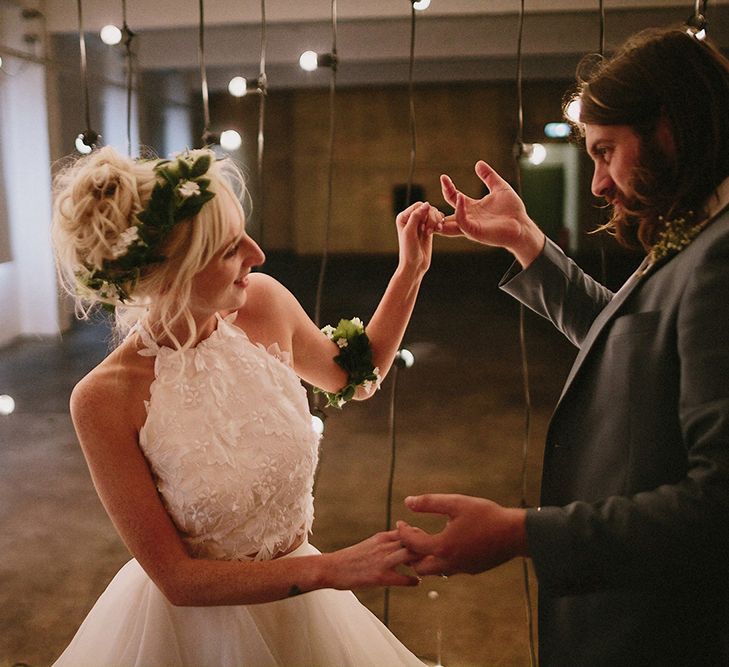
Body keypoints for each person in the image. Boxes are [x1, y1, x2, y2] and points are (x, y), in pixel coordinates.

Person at [397, 26, 729, 666]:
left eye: (606, 152)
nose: (600, 185)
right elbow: (632, 344)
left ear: (668, 130)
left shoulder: (720, 258)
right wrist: (526, 241)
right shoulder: (696, 230)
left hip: (666, 629)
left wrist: (523, 532)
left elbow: (719, 504)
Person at [50, 145, 440, 666]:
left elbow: (353, 377)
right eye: (231, 248)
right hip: (195, 636)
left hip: (306, 613)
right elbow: (178, 581)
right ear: (175, 272)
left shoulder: (263, 302)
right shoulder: (104, 399)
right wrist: (332, 569)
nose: (257, 255)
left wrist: (409, 272)